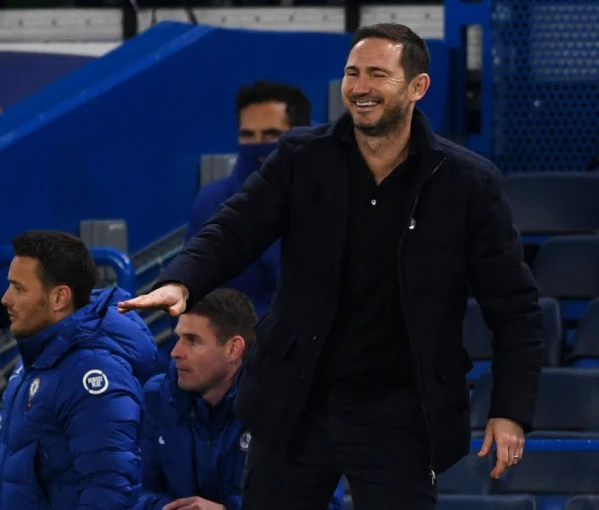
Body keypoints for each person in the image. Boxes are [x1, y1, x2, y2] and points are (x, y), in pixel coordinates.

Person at [119, 22, 542, 510]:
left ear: (418, 87)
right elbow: (234, 228)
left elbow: (514, 306)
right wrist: (182, 280)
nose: (360, 87)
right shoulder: (301, 157)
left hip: (401, 413)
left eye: (377, 74)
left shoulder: (467, 183)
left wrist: (510, 410)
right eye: (352, 72)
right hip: (296, 401)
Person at [136, 288, 343, 510]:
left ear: (233, 349)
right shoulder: (157, 397)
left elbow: (324, 504)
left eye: (192, 340)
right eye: (179, 338)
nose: (175, 352)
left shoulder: (288, 405)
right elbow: (137, 490)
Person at [0, 230, 157, 509]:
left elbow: (109, 490)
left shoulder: (94, 372)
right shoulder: (36, 357)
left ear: (60, 298)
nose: (5, 299)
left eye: (19, 289)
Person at [186, 81, 312, 319]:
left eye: (271, 134)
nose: (258, 145)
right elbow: (195, 295)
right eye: (248, 135)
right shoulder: (212, 202)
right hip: (233, 337)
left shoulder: (331, 197)